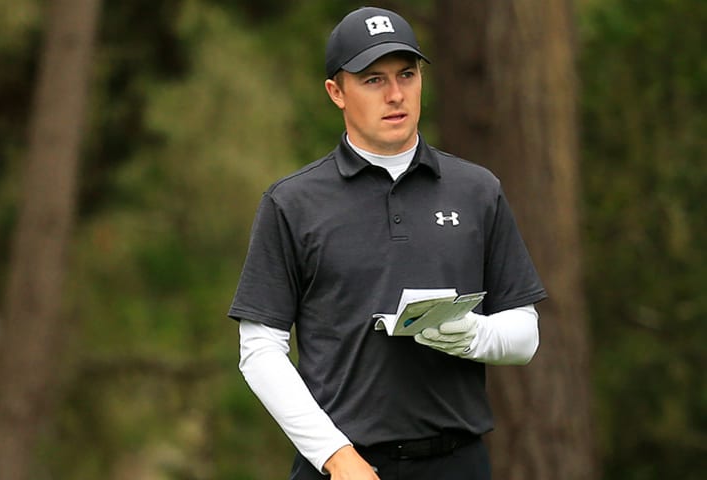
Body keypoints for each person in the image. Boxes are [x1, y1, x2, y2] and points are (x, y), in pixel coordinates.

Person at [228, 6, 547, 480]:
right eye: (373, 79)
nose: (396, 94)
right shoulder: (291, 202)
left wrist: (473, 335)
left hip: (458, 463)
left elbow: (525, 332)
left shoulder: (477, 190)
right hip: (341, 466)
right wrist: (337, 458)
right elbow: (259, 349)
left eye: (407, 74)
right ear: (336, 92)